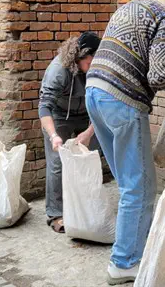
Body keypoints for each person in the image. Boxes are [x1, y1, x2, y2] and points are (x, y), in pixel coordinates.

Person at [85, 0, 165, 284]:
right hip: (122, 101)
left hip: (95, 92)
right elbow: (160, 74)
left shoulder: (134, 7)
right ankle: (125, 262)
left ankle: (137, 243)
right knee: (141, 186)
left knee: (128, 181)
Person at [38, 31, 101, 233]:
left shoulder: (98, 68)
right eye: (90, 62)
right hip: (58, 115)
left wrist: (90, 132)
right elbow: (44, 106)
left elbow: (103, 104)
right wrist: (53, 135)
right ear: (80, 56)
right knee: (57, 163)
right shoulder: (59, 70)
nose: (93, 67)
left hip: (87, 113)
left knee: (90, 157)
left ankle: (85, 207)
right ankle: (56, 214)